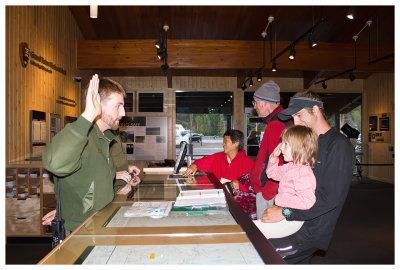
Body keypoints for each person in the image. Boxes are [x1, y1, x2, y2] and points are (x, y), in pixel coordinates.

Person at [261, 90, 355, 264]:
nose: (295, 122)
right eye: (293, 117)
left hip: (308, 232)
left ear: (315, 110)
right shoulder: (308, 143)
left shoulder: (339, 145)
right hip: (292, 226)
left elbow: (329, 198)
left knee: (262, 256)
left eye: (298, 115)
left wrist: (285, 212)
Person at [41, 74, 141, 234]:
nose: (123, 113)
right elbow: (55, 163)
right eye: (118, 106)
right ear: (98, 105)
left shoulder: (104, 138)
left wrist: (121, 184)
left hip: (99, 226)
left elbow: (94, 184)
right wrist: (88, 115)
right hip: (81, 233)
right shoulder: (81, 135)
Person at [253, 125, 318, 238]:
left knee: (252, 231)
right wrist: (273, 158)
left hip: (291, 221)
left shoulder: (303, 172)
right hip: (283, 216)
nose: (281, 148)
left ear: (301, 147)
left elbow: (307, 201)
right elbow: (272, 174)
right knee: (251, 230)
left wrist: (280, 199)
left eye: (286, 144)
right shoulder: (290, 167)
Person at [248, 80, 291, 219]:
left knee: (266, 235)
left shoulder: (276, 124)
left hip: (269, 192)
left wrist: (268, 192)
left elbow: (280, 161)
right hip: (274, 190)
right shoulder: (284, 120)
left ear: (265, 103)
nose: (255, 107)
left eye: (255, 103)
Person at [182, 129, 254, 195]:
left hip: (238, 204)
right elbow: (202, 162)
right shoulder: (217, 157)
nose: (223, 145)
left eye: (226, 142)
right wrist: (194, 166)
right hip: (217, 197)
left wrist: (239, 186)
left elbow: (254, 189)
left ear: (236, 143)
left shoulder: (248, 163)